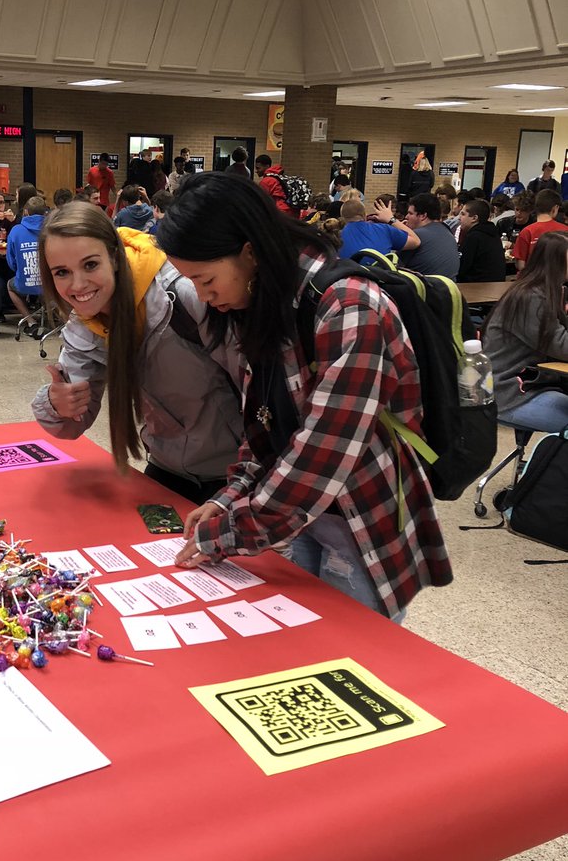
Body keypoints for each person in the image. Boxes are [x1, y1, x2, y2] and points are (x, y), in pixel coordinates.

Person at [155, 173, 452, 621]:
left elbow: (322, 453)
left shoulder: (348, 305)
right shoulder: (264, 301)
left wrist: (230, 531)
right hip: (294, 514)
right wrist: (226, 498)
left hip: (360, 520)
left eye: (206, 278)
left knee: (350, 659)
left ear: (249, 252)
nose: (204, 295)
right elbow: (264, 426)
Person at [31, 202, 243, 504]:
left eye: (90, 265)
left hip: (237, 476)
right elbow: (74, 423)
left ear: (114, 257)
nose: (77, 284)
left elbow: (262, 390)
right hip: (166, 470)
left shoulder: (184, 295)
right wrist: (57, 404)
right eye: (62, 272)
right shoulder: (84, 325)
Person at [483, 230, 568, 432]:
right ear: (555, 261)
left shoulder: (544, 289)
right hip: (509, 393)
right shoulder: (531, 297)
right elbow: (561, 346)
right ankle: (547, 463)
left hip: (531, 384)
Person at [388, 192, 460, 279]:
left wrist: (392, 222)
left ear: (423, 216)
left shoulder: (417, 237)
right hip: (449, 289)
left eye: (410, 213)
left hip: (422, 290)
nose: (406, 217)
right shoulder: (448, 233)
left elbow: (391, 267)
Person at [6, 194, 46, 332]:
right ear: (45, 213)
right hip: (50, 284)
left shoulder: (16, 231)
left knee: (10, 286)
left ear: (26, 212)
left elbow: (11, 263)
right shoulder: (51, 230)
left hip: (25, 282)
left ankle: (30, 321)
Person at [336, 197, 419, 262]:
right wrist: (391, 219)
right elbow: (416, 242)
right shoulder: (384, 230)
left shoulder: (334, 238)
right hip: (379, 280)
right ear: (365, 215)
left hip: (345, 281)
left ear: (342, 218)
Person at [511, 188, 568, 271]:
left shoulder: (527, 231)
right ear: (555, 208)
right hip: (557, 281)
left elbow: (520, 264)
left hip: (530, 280)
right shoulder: (565, 231)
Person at [456, 198, 507, 283]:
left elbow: (461, 267)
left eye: (463, 214)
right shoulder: (493, 233)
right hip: (495, 286)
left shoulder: (474, 237)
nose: (459, 218)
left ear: (474, 218)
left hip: (476, 287)